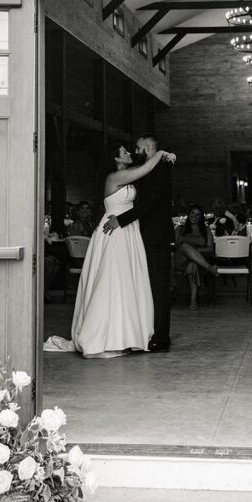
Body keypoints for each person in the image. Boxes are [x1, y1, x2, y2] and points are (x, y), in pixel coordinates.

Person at [70, 142, 176, 358]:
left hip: (128, 230)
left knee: (129, 280)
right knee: (113, 280)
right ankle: (108, 335)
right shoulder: (114, 177)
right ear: (116, 159)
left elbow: (146, 175)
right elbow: (146, 168)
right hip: (115, 230)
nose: (129, 153)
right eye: (124, 152)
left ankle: (127, 334)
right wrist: (162, 153)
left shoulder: (126, 174)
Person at [103, 134, 175, 352]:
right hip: (142, 235)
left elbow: (148, 204)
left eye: (137, 148)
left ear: (147, 147)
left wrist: (121, 220)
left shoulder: (158, 169)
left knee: (158, 287)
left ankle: (161, 338)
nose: (134, 152)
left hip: (156, 236)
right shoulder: (146, 168)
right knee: (145, 285)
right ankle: (144, 332)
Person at [175, 204, 217, 310]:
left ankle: (193, 301)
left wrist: (194, 252)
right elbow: (176, 246)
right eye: (192, 213)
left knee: (192, 265)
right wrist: (188, 251)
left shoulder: (206, 230)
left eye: (198, 214)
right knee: (185, 246)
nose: (194, 216)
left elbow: (210, 248)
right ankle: (209, 268)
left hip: (199, 260)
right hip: (181, 259)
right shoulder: (180, 229)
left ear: (201, 217)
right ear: (188, 214)